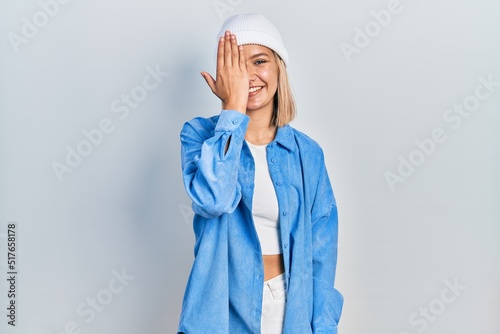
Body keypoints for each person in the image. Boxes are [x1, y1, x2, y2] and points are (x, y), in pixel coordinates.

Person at [177, 13, 343, 334]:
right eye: (236, 64)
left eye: (259, 61)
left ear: (279, 67)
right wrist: (233, 111)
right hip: (223, 311)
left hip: (292, 311)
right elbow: (214, 200)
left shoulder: (307, 154)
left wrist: (323, 327)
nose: (248, 76)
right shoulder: (199, 136)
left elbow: (322, 256)